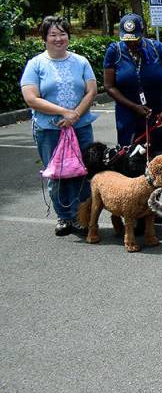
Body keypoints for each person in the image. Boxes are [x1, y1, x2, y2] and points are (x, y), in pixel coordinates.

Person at [21, 16, 99, 236]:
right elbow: (31, 98)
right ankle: (64, 217)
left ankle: (82, 217)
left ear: (68, 36)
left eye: (62, 33)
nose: (58, 38)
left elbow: (91, 91)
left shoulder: (81, 61)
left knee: (82, 172)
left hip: (80, 126)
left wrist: (74, 116)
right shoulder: (35, 64)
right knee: (56, 174)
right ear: (44, 38)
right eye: (53, 34)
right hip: (49, 129)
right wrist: (63, 112)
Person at [102, 13, 162, 152]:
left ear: (142, 33)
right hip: (128, 114)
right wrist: (134, 106)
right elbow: (109, 86)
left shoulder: (157, 48)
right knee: (129, 156)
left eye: (135, 39)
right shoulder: (114, 51)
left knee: (158, 155)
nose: (131, 43)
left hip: (157, 113)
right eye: (126, 40)